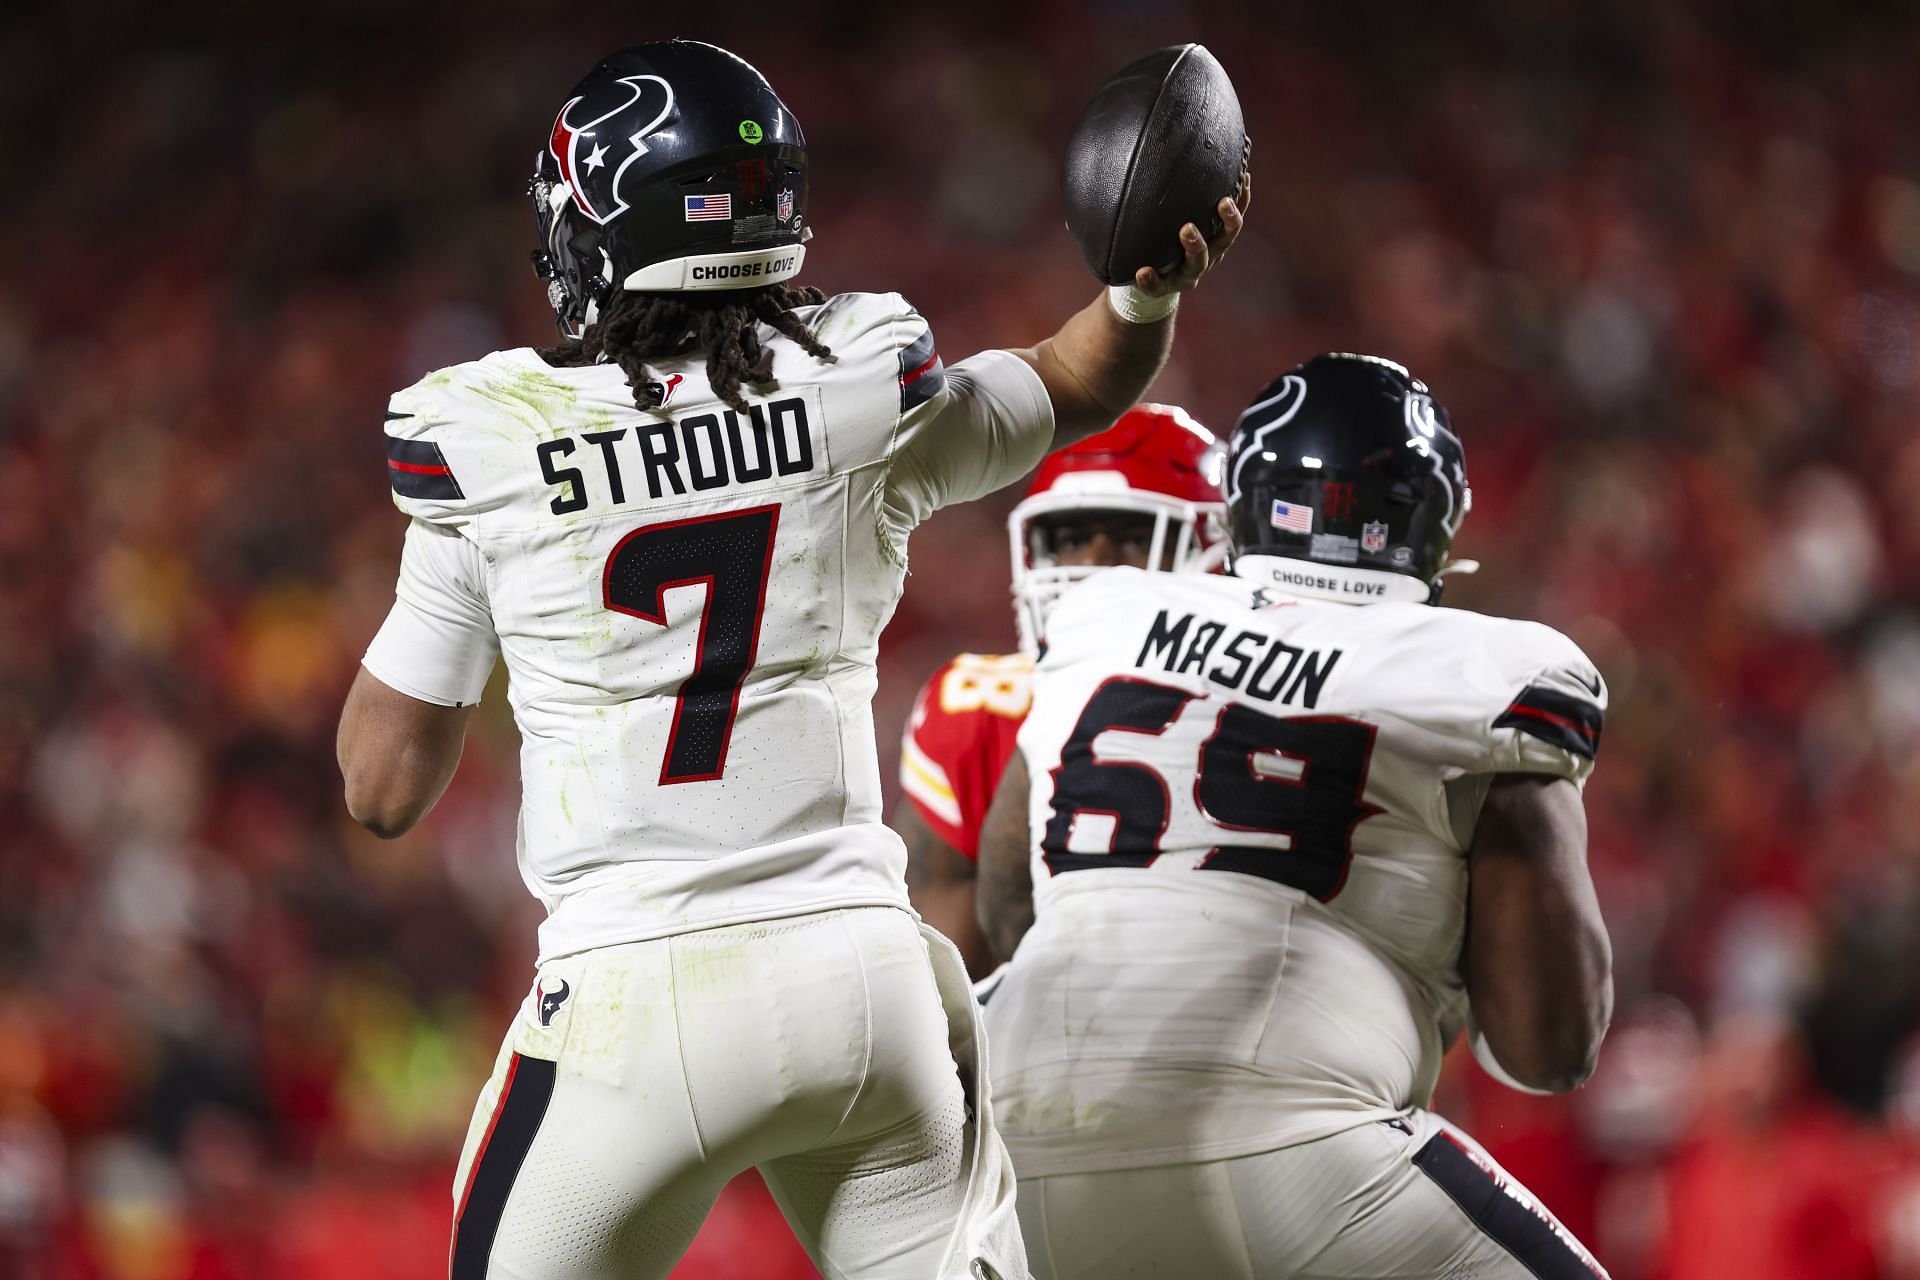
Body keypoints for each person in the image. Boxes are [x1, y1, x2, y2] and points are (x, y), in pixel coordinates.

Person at [332, 38, 1247, 1280]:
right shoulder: (859, 388)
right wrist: (1145, 289)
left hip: (628, 1007)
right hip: (862, 989)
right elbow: (1078, 378)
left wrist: (462, 582)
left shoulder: (487, 442)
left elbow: (383, 789)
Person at [976, 353, 1614, 1279]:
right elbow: (1547, 1044)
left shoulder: (1102, 614)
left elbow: (1008, 908)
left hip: (1010, 1153)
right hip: (1298, 1153)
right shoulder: (1494, 670)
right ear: (1430, 522)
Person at [896, 405, 1225, 976]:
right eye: (1071, 540)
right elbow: (944, 998)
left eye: (1133, 537)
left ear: (1217, 551)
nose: (1093, 568)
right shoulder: (982, 711)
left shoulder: (1285, 701)